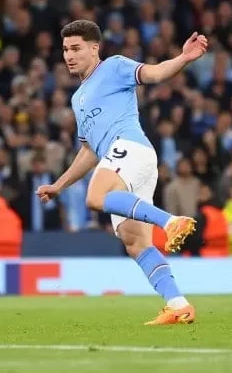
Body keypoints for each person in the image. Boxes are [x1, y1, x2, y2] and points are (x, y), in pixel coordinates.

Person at [36, 20, 208, 326]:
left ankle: (170, 221)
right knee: (135, 243)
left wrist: (182, 59)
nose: (69, 56)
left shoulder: (114, 67)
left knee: (96, 196)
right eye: (65, 49)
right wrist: (59, 185)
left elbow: (154, 73)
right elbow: (89, 151)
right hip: (124, 163)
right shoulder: (77, 98)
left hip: (131, 147)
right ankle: (178, 304)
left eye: (75, 48)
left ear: (93, 48)